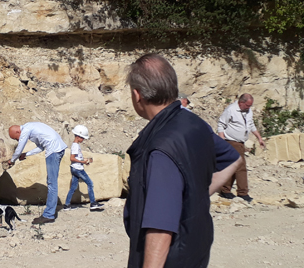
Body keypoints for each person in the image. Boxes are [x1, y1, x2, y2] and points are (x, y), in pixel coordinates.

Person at [123, 54, 241, 268]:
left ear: (136, 95)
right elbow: (232, 159)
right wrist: (194, 197)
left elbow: (160, 228)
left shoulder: (161, 148)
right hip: (195, 251)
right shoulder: (193, 123)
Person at [7, 122, 67, 224]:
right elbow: (41, 147)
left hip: (53, 151)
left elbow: (20, 146)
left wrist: (12, 160)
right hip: (57, 149)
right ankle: (50, 213)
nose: (17, 140)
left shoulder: (26, 130)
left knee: (52, 183)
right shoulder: (31, 127)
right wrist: (27, 154)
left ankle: (49, 215)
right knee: (51, 182)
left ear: (18, 131)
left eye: (15, 138)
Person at [217, 93, 265, 202]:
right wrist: (222, 140)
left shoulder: (248, 111)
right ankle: (243, 192)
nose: (249, 107)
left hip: (241, 142)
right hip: (231, 142)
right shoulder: (231, 110)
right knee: (241, 167)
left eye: (250, 105)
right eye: (247, 105)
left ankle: (225, 190)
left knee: (232, 166)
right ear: (241, 102)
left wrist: (259, 138)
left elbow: (251, 125)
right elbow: (221, 124)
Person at [62, 125, 104, 211]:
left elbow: (77, 158)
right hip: (78, 169)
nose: (83, 140)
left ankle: (67, 205)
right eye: (83, 138)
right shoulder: (75, 146)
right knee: (90, 183)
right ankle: (93, 203)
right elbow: (72, 158)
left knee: (73, 187)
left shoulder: (75, 145)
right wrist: (83, 162)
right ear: (78, 136)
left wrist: (85, 160)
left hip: (75, 168)